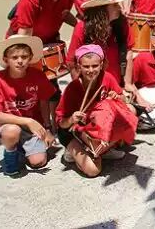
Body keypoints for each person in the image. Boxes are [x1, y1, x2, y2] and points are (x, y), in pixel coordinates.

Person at [7, 0, 77, 132]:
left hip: (49, 39)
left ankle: (54, 124)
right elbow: (24, 34)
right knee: (31, 86)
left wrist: (80, 26)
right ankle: (34, 124)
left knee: (51, 87)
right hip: (25, 41)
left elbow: (63, 13)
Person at [0, 35, 56, 175]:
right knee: (12, 131)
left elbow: (43, 102)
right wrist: (28, 121)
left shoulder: (38, 75)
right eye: (14, 57)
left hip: (32, 124)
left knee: (38, 162)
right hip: (7, 122)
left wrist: (47, 128)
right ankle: (10, 156)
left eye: (24, 56)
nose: (20, 61)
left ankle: (21, 147)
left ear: (31, 57)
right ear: (5, 60)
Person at [56, 45, 135, 177]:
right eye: (86, 66)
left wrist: (117, 97)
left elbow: (123, 100)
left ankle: (103, 149)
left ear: (101, 64)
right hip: (72, 131)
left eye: (95, 66)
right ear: (79, 66)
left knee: (130, 112)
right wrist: (71, 119)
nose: (91, 70)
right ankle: (74, 150)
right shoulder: (72, 88)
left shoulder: (107, 77)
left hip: (96, 125)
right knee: (93, 171)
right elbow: (61, 123)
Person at [67, 0, 134, 85]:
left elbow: (129, 54)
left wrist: (127, 84)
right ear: (102, 10)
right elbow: (71, 62)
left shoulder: (123, 24)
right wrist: (79, 88)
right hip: (91, 88)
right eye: (115, 5)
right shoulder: (82, 28)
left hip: (116, 87)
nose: (120, 7)